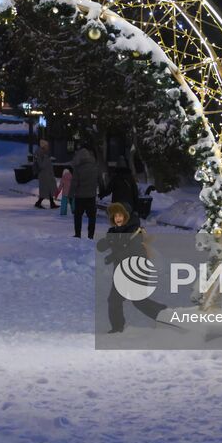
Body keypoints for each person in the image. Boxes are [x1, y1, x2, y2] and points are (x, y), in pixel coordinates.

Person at [97, 202, 167, 332]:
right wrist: (105, 242)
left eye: (120, 215)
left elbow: (133, 250)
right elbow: (102, 247)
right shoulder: (113, 231)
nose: (117, 218)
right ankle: (117, 328)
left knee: (139, 302)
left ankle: (167, 316)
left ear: (126, 215)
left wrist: (114, 256)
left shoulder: (135, 231)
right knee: (114, 300)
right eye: (114, 216)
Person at [70, 142, 100, 238]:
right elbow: (98, 180)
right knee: (92, 216)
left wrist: (70, 194)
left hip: (80, 196)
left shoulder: (78, 168)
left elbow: (74, 183)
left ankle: (77, 234)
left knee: (78, 216)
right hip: (91, 196)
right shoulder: (94, 167)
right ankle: (90, 235)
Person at [33, 139, 57, 209]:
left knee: (48, 189)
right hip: (44, 175)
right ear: (44, 146)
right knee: (45, 189)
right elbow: (41, 165)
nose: (48, 147)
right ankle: (39, 203)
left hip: (47, 174)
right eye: (47, 146)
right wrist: (46, 159)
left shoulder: (43, 153)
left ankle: (52, 203)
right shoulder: (40, 153)